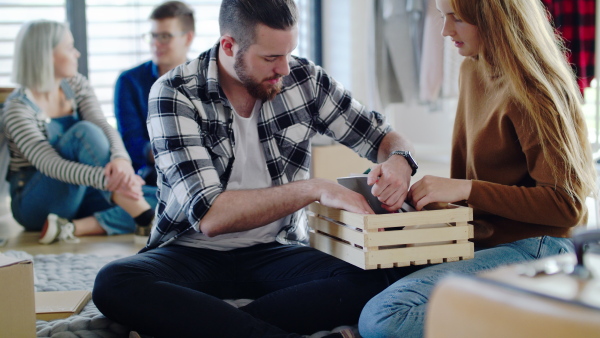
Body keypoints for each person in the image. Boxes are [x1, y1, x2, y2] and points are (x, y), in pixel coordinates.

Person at [92, 0, 419, 337]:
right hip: (190, 254)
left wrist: (400, 160)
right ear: (229, 46)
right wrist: (313, 188)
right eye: (270, 58)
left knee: (383, 275)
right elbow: (212, 218)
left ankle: (210, 324)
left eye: (288, 53)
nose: (285, 69)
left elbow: (384, 136)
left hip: (275, 251)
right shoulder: (174, 93)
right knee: (114, 282)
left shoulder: (305, 80)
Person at [358, 0, 597, 337]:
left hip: (541, 244)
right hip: (482, 240)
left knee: (381, 318)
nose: (444, 31)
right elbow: (469, 190)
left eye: (458, 19)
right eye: (443, 17)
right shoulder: (472, 69)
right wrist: (416, 208)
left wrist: (467, 189)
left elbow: (567, 206)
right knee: (363, 281)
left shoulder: (535, 90)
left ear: (494, 19)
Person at [2, 20, 158, 244]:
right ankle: (144, 215)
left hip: (85, 189)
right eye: (69, 47)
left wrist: (121, 161)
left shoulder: (75, 84)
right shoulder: (18, 108)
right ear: (46, 54)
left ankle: (73, 227)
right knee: (82, 132)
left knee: (169, 198)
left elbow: (104, 126)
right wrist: (113, 181)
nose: (77, 54)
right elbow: (50, 165)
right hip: (35, 201)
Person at [114, 1, 195, 186]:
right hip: (150, 177)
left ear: (188, 38)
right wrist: (174, 152)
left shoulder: (204, 81)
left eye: (165, 36)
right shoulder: (129, 81)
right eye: (153, 36)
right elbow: (131, 144)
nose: (156, 44)